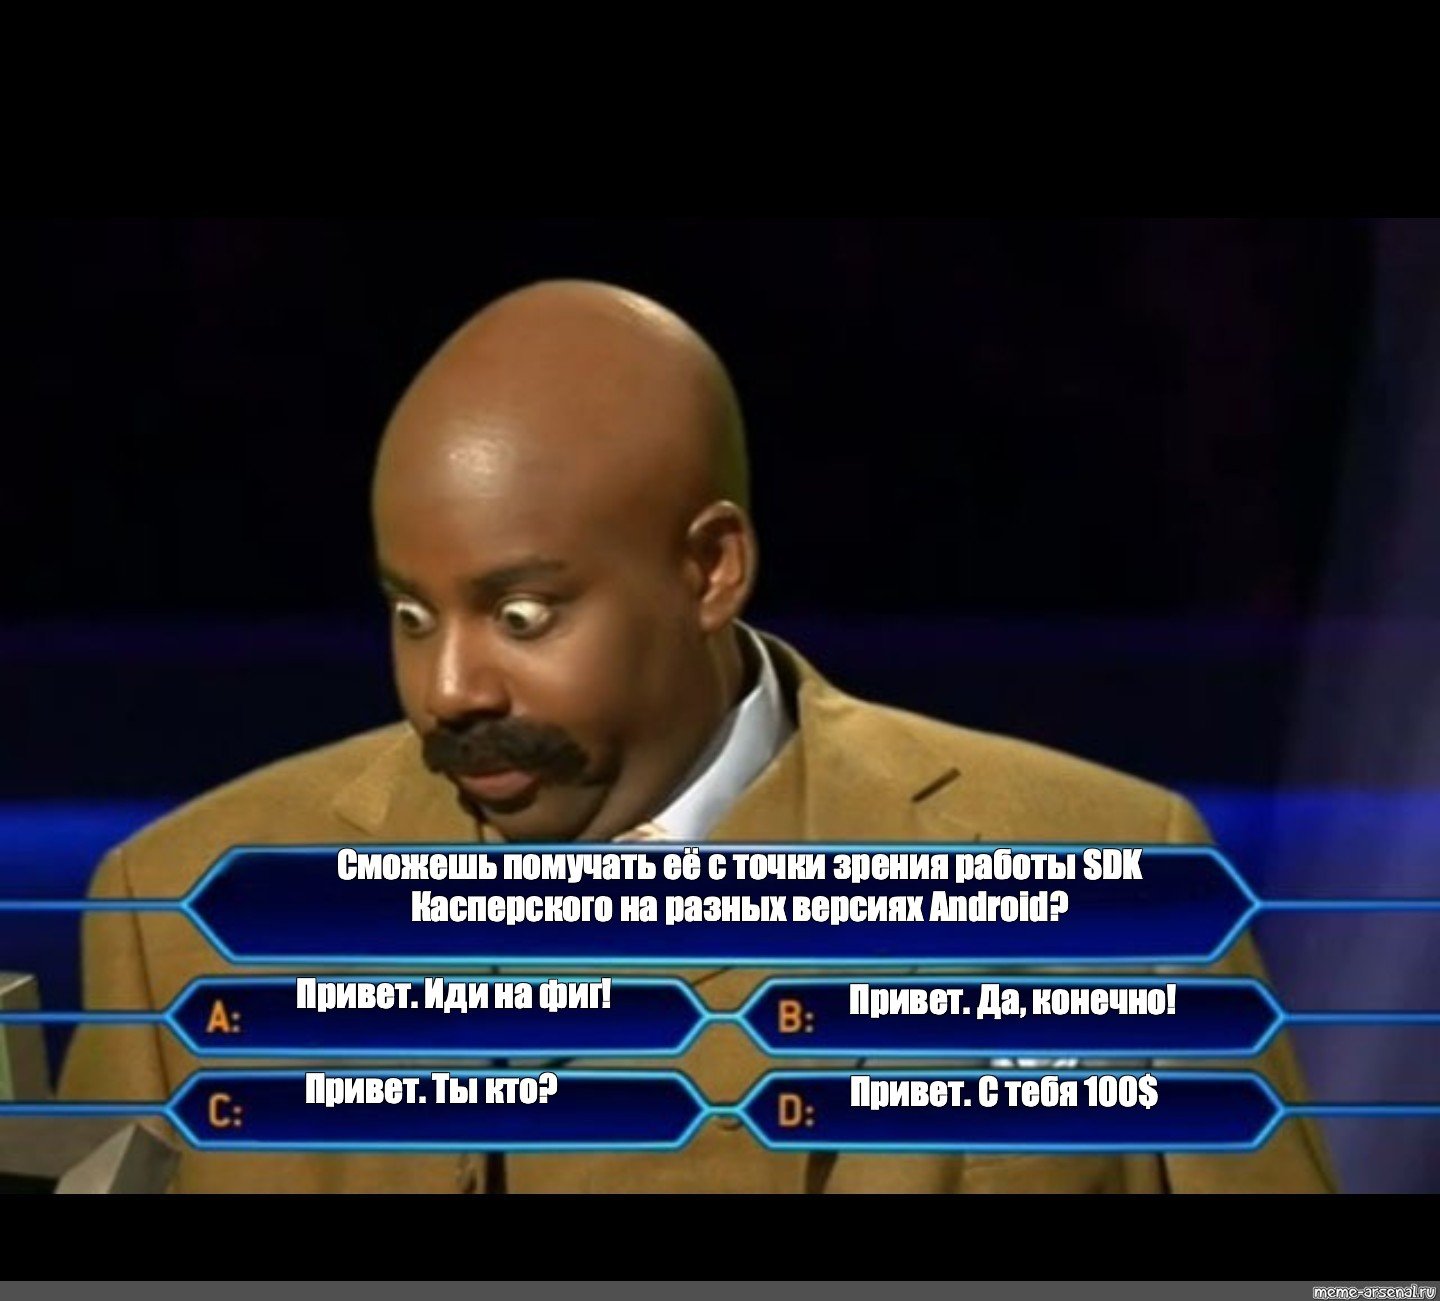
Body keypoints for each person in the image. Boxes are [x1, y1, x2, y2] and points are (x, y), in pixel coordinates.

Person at [59, 280, 1336, 1193]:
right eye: (410, 613)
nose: (448, 687)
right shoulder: (178, 914)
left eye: (522, 614)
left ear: (711, 568)